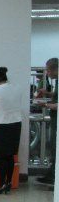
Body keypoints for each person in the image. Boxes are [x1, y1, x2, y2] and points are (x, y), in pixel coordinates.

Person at [36, 57, 58, 185]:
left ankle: (53, 176)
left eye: (48, 70)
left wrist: (45, 105)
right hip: (54, 119)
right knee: (53, 146)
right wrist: (48, 94)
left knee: (55, 147)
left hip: (56, 119)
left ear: (55, 70)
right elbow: (56, 97)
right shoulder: (57, 82)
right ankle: (52, 174)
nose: (47, 73)